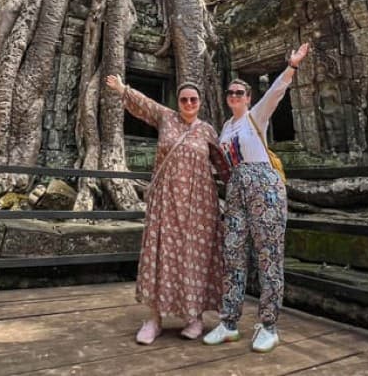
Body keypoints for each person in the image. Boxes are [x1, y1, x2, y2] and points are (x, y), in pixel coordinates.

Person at [202, 42, 310, 354]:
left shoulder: (255, 116)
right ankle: (229, 321)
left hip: (264, 186)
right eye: (230, 93)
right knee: (233, 253)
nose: (234, 97)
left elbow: (276, 92)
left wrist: (291, 66)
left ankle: (269, 325)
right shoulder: (225, 127)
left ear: (247, 98)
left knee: (268, 255)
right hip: (236, 190)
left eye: (239, 93)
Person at [104, 74, 227, 345]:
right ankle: (155, 319)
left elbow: (224, 165)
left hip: (199, 206)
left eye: (193, 99)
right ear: (178, 102)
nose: (188, 103)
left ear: (200, 103)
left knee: (195, 257)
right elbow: (145, 104)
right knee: (160, 254)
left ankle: (194, 318)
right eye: (184, 99)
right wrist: (123, 89)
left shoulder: (206, 130)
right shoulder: (166, 118)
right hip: (166, 201)